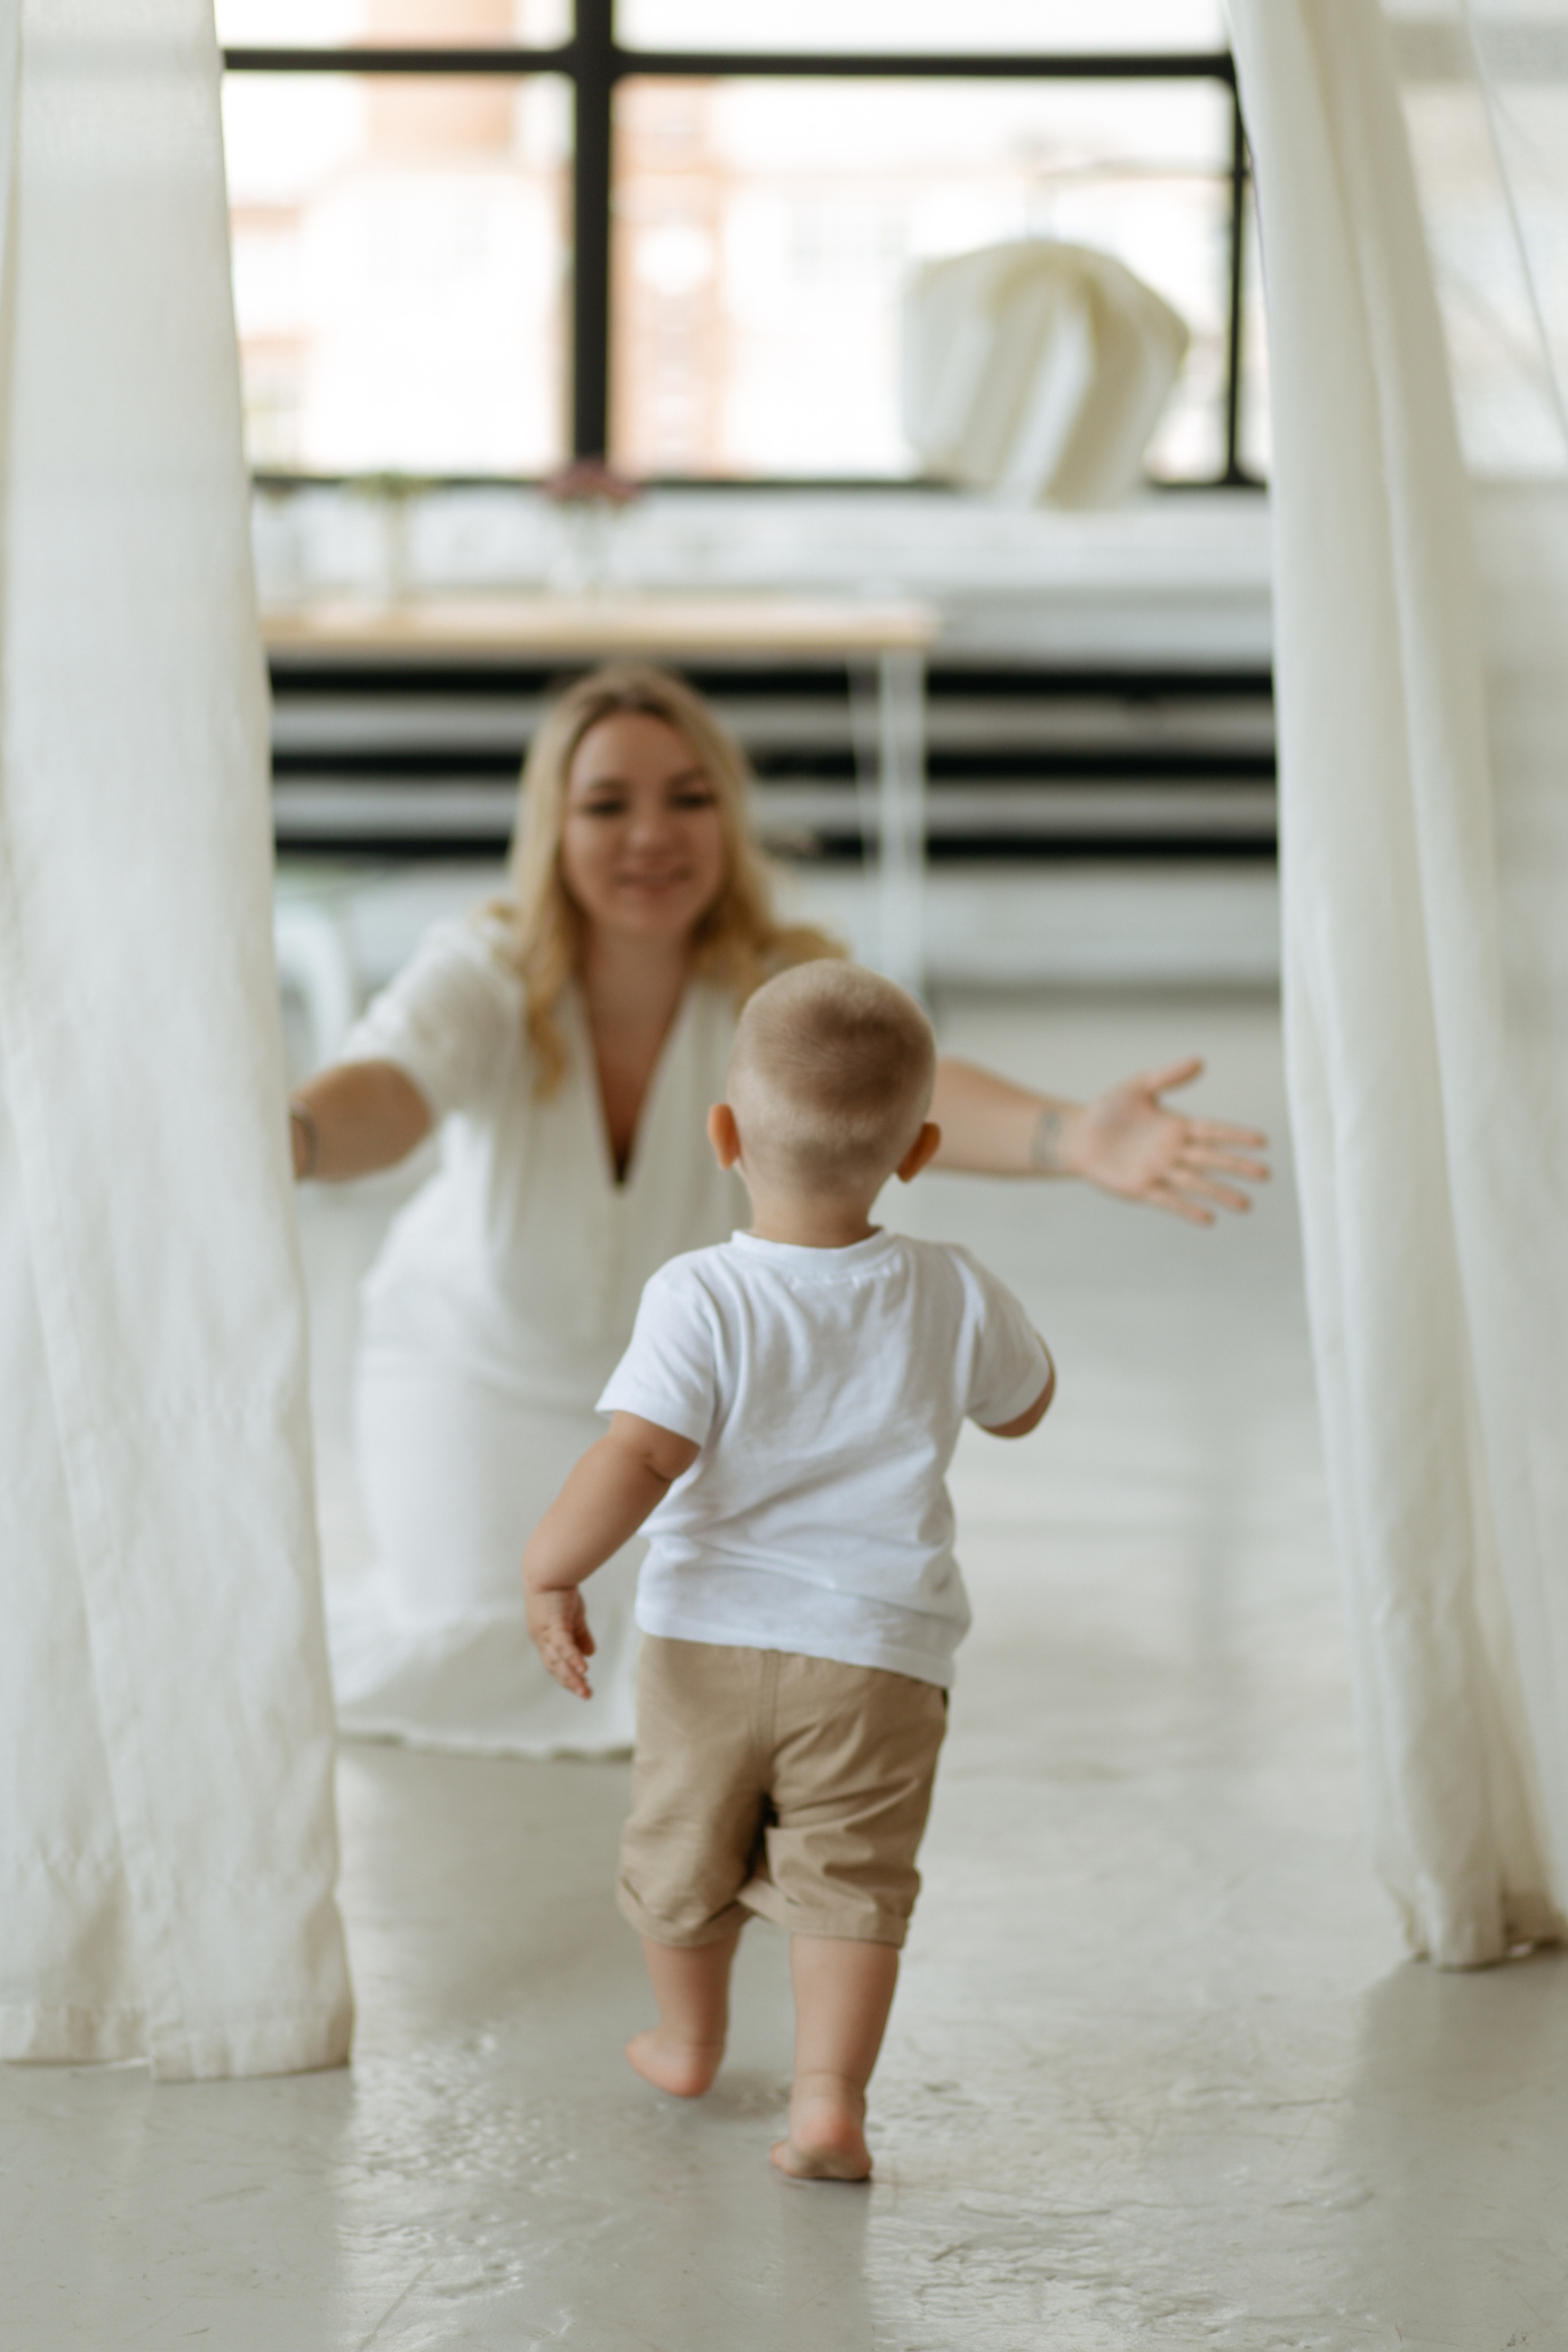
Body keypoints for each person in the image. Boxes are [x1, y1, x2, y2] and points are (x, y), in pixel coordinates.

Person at [291, 663, 1266, 1757]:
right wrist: (297, 1134)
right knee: (484, 1649)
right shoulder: (483, 969)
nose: (652, 834)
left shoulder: (774, 979)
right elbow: (390, 1089)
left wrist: (1072, 1135)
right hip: (478, 1372)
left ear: (730, 818)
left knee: (709, 1655)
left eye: (690, 797)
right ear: (552, 826)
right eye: (607, 804)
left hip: (692, 1396)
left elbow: (903, 1093)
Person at [522, 960, 1056, 2180]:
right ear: (917, 1153)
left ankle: (687, 2041)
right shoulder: (952, 1286)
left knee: (681, 1847)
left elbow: (639, 1455)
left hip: (706, 1644)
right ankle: (827, 2106)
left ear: (724, 1136)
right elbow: (1024, 1407)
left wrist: (552, 1566)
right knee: (850, 1883)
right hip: (879, 1657)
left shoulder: (698, 1294)